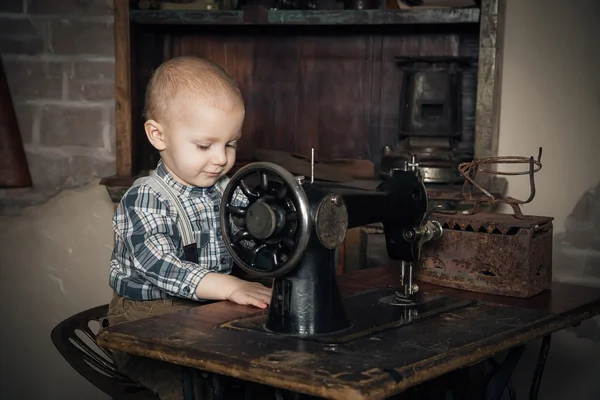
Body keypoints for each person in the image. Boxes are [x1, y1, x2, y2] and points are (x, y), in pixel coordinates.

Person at [104, 56, 272, 400]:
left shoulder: (226, 189)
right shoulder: (146, 197)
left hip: (202, 309)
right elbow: (160, 266)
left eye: (231, 143)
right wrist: (227, 285)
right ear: (158, 135)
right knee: (191, 390)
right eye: (204, 145)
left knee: (255, 374)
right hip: (145, 317)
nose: (221, 158)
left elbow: (251, 234)